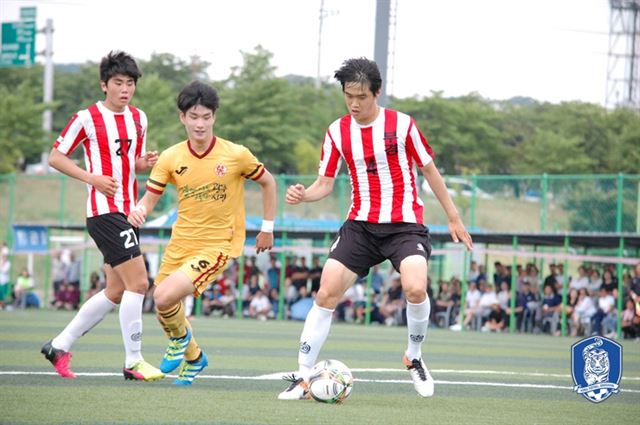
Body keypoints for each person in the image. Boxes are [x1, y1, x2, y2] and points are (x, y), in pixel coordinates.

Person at [277, 58, 472, 400]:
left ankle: (414, 357)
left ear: (377, 93)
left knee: (415, 288)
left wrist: (454, 217)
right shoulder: (337, 131)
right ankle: (304, 377)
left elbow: (430, 172)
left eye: (362, 96)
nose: (354, 103)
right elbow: (325, 183)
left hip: (404, 227)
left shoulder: (402, 125)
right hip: (361, 227)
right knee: (325, 294)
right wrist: (304, 194)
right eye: (348, 95)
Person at [128, 80, 277, 385]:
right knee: (162, 304)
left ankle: (179, 343)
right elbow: (150, 197)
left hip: (219, 243)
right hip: (180, 241)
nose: (200, 124)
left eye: (206, 117)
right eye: (193, 117)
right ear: (182, 117)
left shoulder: (235, 154)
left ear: (214, 117)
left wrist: (267, 228)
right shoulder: (171, 157)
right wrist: (140, 210)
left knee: (166, 296)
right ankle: (195, 359)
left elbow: (268, 182)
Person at [41, 51, 163, 382]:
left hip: (128, 211)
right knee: (139, 282)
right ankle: (133, 360)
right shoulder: (87, 118)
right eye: (118, 83)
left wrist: (144, 163)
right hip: (104, 211)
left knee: (117, 290)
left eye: (130, 83)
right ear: (104, 84)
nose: (125, 89)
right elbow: (55, 157)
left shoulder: (140, 118)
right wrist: (91, 178)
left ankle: (59, 345)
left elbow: (131, 161)